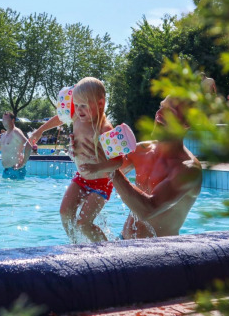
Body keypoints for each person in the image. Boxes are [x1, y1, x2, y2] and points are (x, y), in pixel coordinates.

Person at [80, 96, 202, 239]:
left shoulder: (188, 170)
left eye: (170, 111)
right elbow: (97, 174)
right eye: (161, 107)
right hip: (123, 241)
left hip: (158, 253)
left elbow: (148, 209)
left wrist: (111, 168)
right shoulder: (141, 150)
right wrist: (82, 151)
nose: (160, 113)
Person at [30, 77, 122, 243]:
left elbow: (119, 162)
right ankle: (76, 246)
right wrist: (40, 131)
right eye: (76, 105)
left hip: (101, 183)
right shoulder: (77, 118)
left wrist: (98, 167)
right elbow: (60, 117)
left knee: (83, 224)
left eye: (84, 106)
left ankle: (109, 250)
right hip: (81, 178)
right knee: (65, 213)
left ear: (100, 104)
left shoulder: (105, 129)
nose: (78, 110)